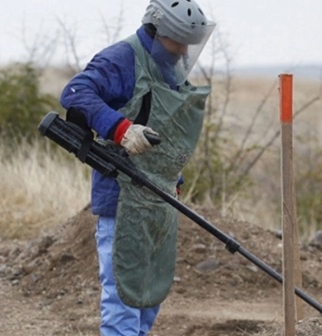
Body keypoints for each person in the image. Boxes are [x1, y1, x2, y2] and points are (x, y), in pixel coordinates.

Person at [59, 0, 216, 334]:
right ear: (158, 31)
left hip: (159, 201)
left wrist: (174, 179)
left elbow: (168, 134)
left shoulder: (171, 68)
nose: (184, 50)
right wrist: (121, 129)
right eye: (178, 41)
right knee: (123, 300)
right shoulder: (121, 58)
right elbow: (75, 93)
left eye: (189, 42)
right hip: (122, 198)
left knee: (148, 297)